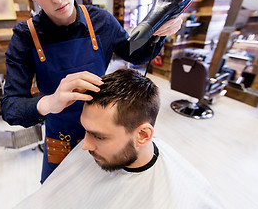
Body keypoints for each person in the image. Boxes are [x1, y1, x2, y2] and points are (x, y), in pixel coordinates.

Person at [1, 0, 183, 183]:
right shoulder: (25, 37)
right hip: (61, 139)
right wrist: (50, 102)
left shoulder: (101, 21)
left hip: (107, 135)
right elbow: (10, 108)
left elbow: (138, 54)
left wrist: (160, 30)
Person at [14, 69, 225, 209]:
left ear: (143, 135)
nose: (85, 145)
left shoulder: (170, 197)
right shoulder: (97, 153)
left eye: (98, 136)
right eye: (86, 130)